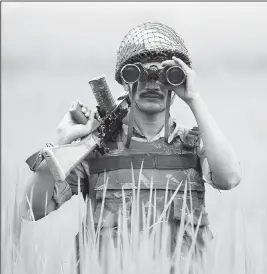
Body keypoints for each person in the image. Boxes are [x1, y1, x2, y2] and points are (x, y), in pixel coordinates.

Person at [22, 22, 241, 257]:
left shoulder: (192, 145)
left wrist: (194, 98)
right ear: (126, 82)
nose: (152, 83)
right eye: (139, 74)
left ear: (177, 81)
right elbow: (31, 208)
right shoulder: (97, 149)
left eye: (165, 76)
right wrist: (61, 143)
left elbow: (229, 178)